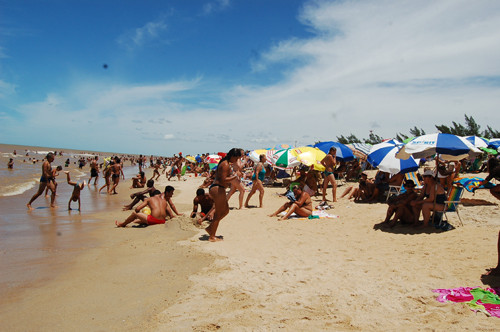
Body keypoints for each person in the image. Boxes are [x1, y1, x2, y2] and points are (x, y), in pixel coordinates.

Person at [206, 148, 243, 241]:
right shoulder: (225, 164)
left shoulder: (226, 163)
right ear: (233, 156)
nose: (236, 161)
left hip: (219, 188)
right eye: (237, 158)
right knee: (218, 213)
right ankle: (212, 236)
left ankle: (211, 228)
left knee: (225, 210)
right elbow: (223, 179)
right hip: (218, 188)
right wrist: (234, 176)